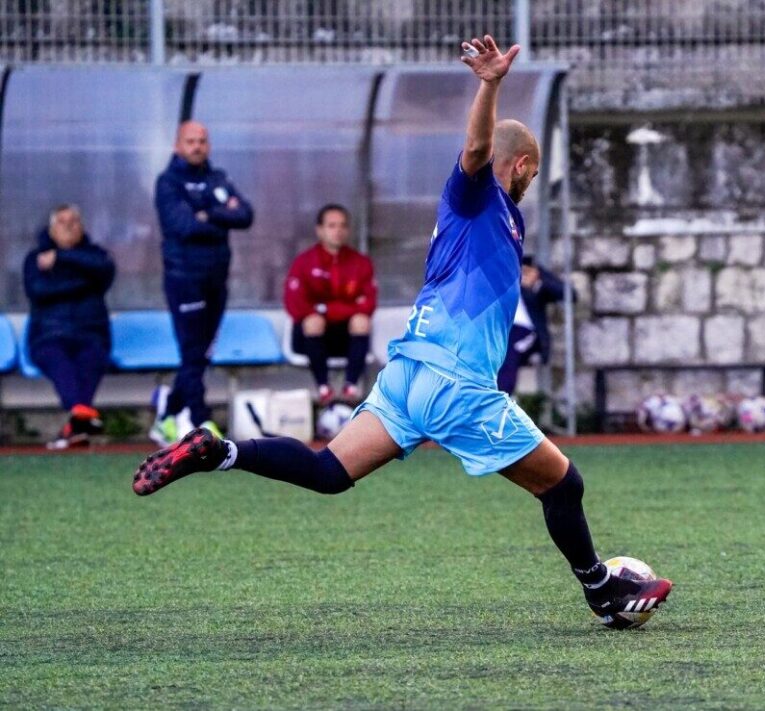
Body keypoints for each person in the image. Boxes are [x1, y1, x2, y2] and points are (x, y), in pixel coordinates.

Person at [131, 35, 671, 625]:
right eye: (531, 175)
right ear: (520, 165)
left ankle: (220, 452)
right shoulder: (478, 199)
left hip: (406, 377)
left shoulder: (498, 222)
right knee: (564, 486)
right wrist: (489, 84)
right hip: (455, 385)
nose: (529, 184)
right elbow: (474, 151)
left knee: (329, 471)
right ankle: (602, 591)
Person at [151, 120, 254, 444]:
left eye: (202, 141)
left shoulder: (218, 179)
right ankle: (200, 418)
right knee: (193, 351)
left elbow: (246, 216)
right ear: (177, 145)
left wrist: (206, 215)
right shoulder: (168, 182)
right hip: (184, 278)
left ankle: (167, 412)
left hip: (216, 278)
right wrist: (218, 214)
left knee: (204, 353)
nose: (197, 146)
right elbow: (183, 226)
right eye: (190, 141)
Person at [23, 205, 114, 449]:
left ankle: (76, 421)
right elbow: (38, 291)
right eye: (62, 222)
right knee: (58, 360)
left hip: (91, 333)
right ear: (52, 229)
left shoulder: (95, 255)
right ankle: (81, 413)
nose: (69, 226)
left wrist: (62, 258)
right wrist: (83, 283)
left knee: (92, 358)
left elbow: (105, 270)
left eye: (74, 221)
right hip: (48, 335)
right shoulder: (35, 258)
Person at [284, 204, 377, 405]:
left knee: (361, 321)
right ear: (320, 230)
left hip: (345, 337)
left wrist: (325, 308)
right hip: (313, 337)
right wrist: (343, 309)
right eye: (332, 225)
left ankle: (351, 387)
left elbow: (369, 303)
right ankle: (323, 388)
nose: (338, 231)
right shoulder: (304, 262)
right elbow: (295, 303)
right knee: (313, 321)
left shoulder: (360, 263)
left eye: (343, 226)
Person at [497, 257, 567, 395]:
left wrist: (538, 282)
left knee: (509, 350)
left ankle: (500, 399)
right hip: (499, 330)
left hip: (526, 332)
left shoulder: (530, 271)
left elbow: (569, 294)